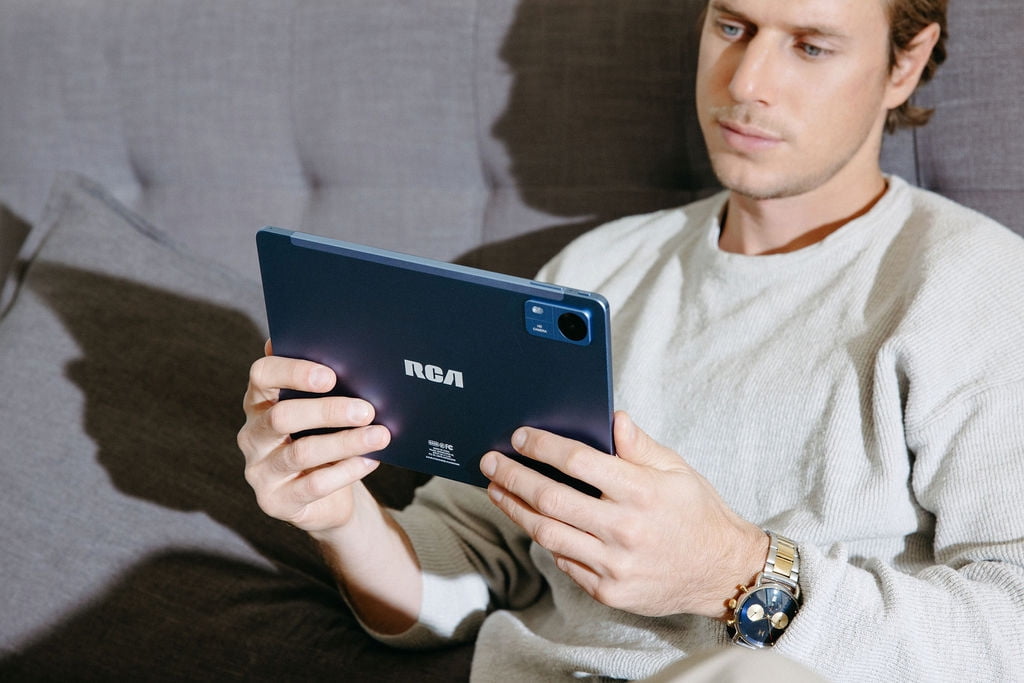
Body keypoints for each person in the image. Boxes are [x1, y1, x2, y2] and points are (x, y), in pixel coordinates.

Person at [238, 0, 1024, 679]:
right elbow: (466, 567)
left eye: (810, 46)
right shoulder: (594, 274)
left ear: (903, 63)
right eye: (732, 27)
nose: (746, 82)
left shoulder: (972, 287)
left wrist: (733, 574)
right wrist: (337, 513)